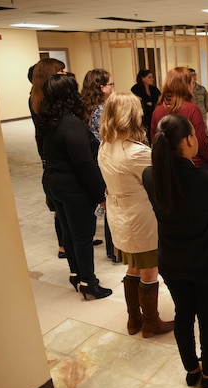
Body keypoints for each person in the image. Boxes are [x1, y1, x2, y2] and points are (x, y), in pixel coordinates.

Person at [142, 114, 208, 388]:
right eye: (193, 134)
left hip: (171, 260)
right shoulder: (207, 180)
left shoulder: (150, 176)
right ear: (186, 141)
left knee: (184, 313)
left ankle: (191, 368)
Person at [98, 92, 174, 338]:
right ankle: (151, 322)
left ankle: (134, 318)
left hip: (119, 215)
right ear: (132, 116)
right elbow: (163, 178)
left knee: (132, 266)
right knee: (149, 269)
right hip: (140, 217)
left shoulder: (105, 145)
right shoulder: (136, 153)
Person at [38, 74, 112, 300]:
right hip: (72, 188)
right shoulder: (71, 124)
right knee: (82, 235)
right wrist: (101, 195)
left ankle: (76, 274)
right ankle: (89, 281)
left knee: (69, 233)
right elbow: (85, 165)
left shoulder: (48, 121)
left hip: (53, 184)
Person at [29, 58, 67, 259]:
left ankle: (66, 242)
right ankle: (63, 245)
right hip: (55, 159)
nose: (64, 75)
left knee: (60, 207)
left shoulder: (36, 97)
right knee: (61, 207)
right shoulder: (46, 102)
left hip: (50, 158)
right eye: (61, 72)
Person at [81, 68, 118, 262]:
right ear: (102, 87)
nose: (113, 87)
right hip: (104, 160)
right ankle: (114, 251)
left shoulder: (85, 106)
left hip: (95, 160)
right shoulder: (102, 111)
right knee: (111, 205)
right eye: (111, 84)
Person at [151, 67, 208, 170]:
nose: (193, 86)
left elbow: (155, 140)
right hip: (193, 164)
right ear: (186, 86)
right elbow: (201, 141)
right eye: (191, 83)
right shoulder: (192, 109)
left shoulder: (157, 111)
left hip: (167, 165)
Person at [131, 69, 161, 142]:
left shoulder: (153, 89)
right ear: (143, 79)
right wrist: (148, 104)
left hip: (154, 114)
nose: (152, 79)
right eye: (149, 77)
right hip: (144, 116)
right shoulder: (136, 89)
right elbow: (138, 103)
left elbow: (159, 100)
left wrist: (151, 104)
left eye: (152, 77)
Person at [188, 68, 208, 133]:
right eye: (191, 75)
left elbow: (207, 102)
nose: (194, 77)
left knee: (203, 131)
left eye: (195, 75)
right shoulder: (184, 89)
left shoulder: (201, 89)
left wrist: (203, 111)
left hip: (201, 114)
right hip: (189, 116)